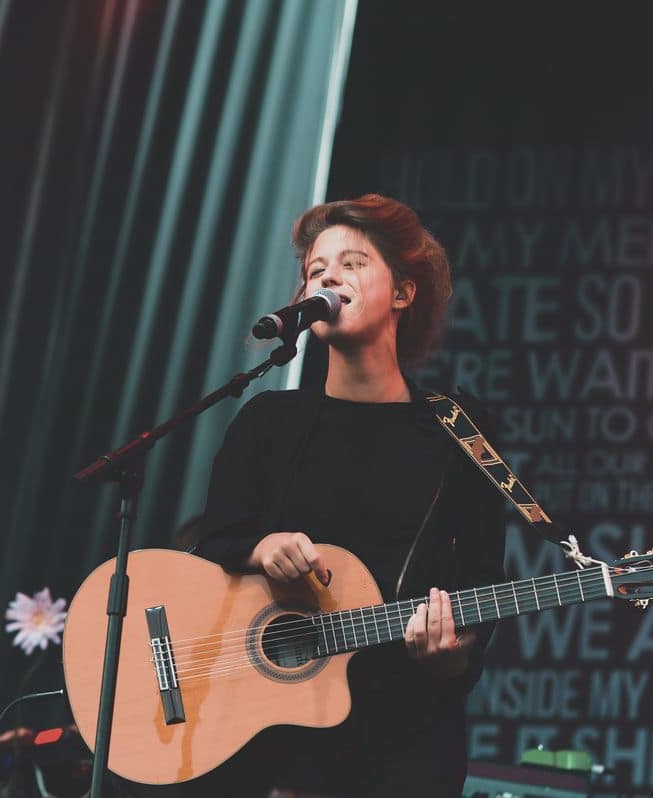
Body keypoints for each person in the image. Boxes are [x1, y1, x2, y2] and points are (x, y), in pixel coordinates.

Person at [186, 194, 507, 797]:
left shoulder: (459, 433)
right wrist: (262, 548)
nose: (329, 278)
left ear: (403, 293)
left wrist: (452, 656)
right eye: (316, 270)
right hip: (272, 732)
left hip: (399, 736)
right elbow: (212, 548)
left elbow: (481, 579)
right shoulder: (267, 423)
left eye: (353, 264)